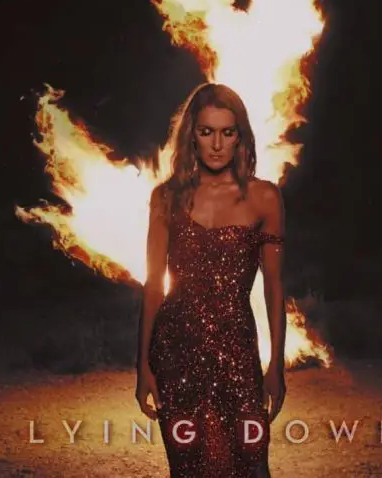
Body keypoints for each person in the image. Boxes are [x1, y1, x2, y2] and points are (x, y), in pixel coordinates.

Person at [135, 82, 287, 478]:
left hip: (237, 351)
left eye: (227, 132)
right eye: (206, 132)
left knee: (251, 465)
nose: (217, 144)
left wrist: (276, 366)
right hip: (175, 350)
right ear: (192, 136)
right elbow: (154, 284)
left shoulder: (265, 198)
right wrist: (142, 365)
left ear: (240, 137)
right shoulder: (166, 198)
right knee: (188, 468)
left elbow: (273, 287)